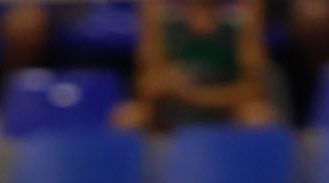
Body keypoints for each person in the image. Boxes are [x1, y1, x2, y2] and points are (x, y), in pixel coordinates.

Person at [115, 0, 274, 131]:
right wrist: (170, 85)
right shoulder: (162, 22)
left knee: (258, 117)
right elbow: (147, 85)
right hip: (174, 107)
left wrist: (201, 96)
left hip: (225, 106)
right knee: (128, 117)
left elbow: (253, 88)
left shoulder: (242, 25)